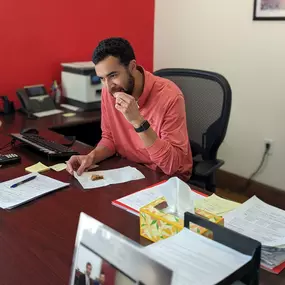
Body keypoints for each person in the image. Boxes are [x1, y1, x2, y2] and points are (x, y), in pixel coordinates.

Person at [66, 37, 192, 181]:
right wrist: (91, 157)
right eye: (102, 78)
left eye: (113, 75)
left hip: (165, 178)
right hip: (131, 170)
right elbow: (110, 138)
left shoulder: (170, 96)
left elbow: (172, 166)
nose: (108, 86)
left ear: (132, 66)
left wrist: (138, 121)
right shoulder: (109, 91)